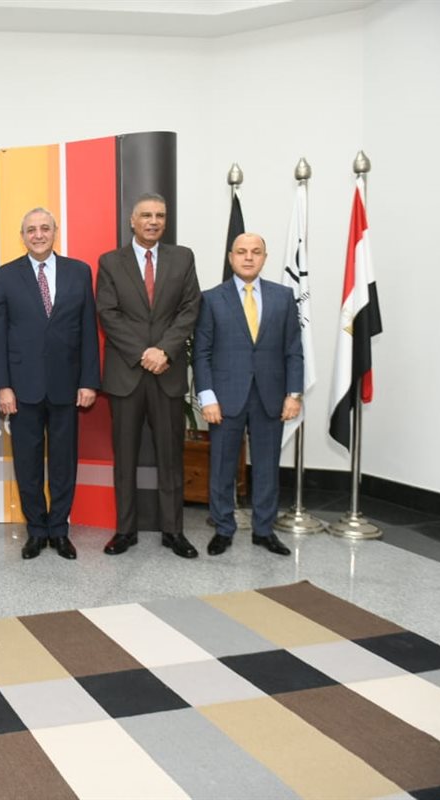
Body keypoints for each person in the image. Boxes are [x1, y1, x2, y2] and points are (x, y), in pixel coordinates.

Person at [0, 208, 101, 560]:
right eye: (31, 230)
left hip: (67, 385)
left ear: (55, 232)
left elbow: (88, 329)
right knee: (27, 463)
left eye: (44, 228)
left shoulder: (79, 271)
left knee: (64, 462)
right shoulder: (6, 275)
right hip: (22, 388)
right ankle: (36, 530)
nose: (38, 235)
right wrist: (3, 386)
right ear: (22, 236)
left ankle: (59, 529)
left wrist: (89, 381)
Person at [96, 193, 201, 558]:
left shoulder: (182, 257)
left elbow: (190, 308)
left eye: (159, 215)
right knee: (125, 457)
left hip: (167, 371)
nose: (153, 221)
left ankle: (173, 531)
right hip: (127, 373)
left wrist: (164, 351)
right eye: (146, 215)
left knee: (170, 456)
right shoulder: (110, 262)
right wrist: (144, 353)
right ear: (132, 221)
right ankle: (125, 531)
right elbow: (108, 313)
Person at [194, 232, 303, 557]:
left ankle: (264, 531)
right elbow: (202, 352)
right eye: (241, 251)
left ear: (264, 258)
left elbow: (293, 350)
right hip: (225, 398)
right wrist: (207, 397)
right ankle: (223, 528)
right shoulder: (212, 298)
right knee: (222, 465)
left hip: (271, 396)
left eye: (256, 252)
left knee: (267, 466)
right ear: (231, 258)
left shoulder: (284, 297)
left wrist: (294, 394)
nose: (248, 257)